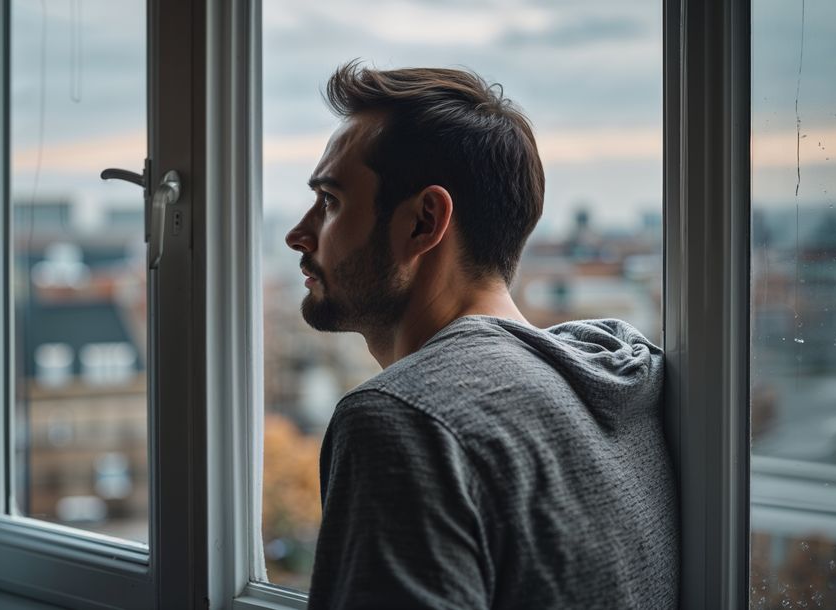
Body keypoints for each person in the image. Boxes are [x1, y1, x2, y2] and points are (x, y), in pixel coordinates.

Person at [284, 61, 678, 609]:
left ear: (424, 222)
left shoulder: (406, 421)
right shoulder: (609, 381)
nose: (298, 234)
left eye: (330, 202)